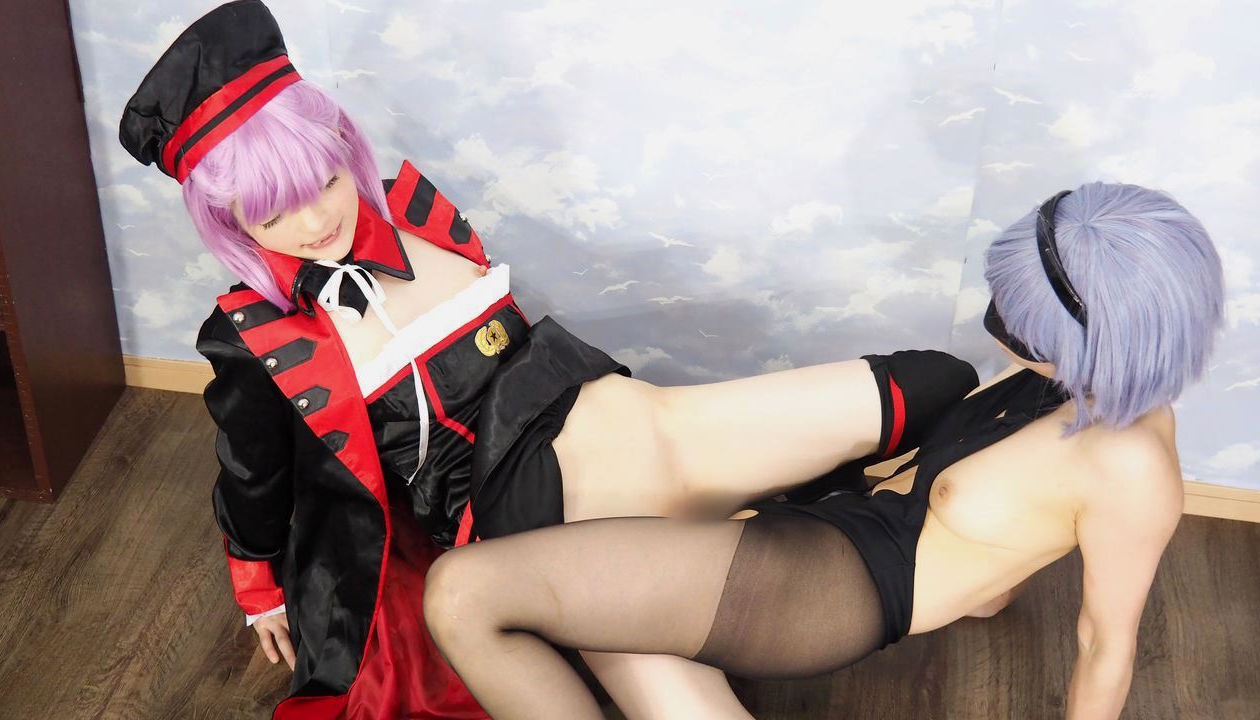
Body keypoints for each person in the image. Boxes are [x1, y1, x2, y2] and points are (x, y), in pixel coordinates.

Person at [116, 2, 979, 718]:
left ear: (348, 153)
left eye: (327, 182)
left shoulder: (415, 206)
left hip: (627, 426)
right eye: (273, 215)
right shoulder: (253, 337)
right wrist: (259, 587)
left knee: (939, 381)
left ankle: (939, 540)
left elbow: (518, 357)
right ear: (229, 223)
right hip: (529, 516)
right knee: (663, 657)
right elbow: (255, 474)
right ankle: (882, 538)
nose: (314, 224)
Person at [421, 182, 1226, 720]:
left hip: (824, 590)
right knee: (560, 536)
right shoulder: (1071, 380)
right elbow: (1022, 504)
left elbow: (1105, 644)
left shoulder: (1132, 469)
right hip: (832, 516)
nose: (1001, 327)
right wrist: (992, 588)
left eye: (1020, 325)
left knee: (463, 595)